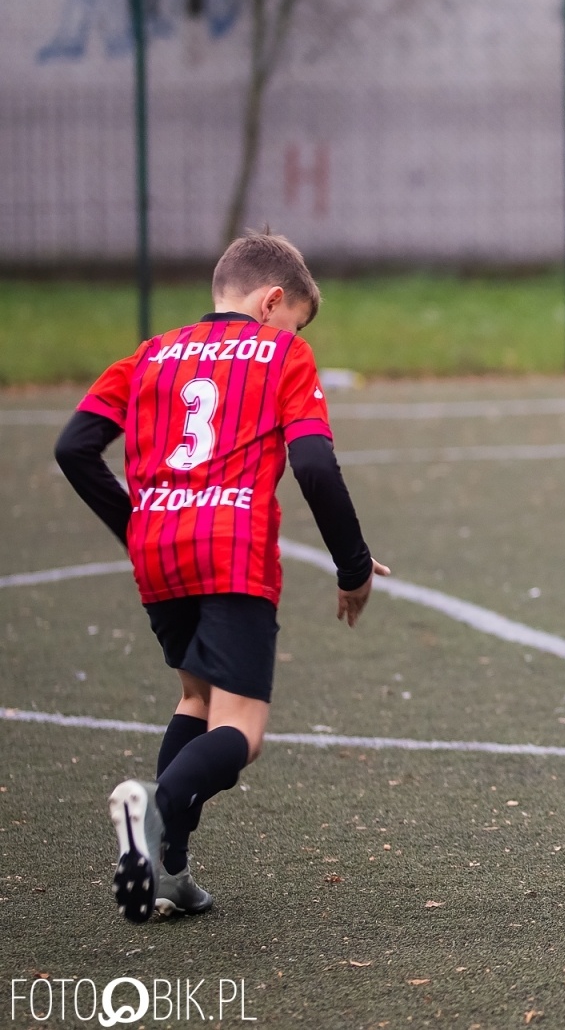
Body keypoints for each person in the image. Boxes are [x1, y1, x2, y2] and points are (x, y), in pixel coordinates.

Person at [54, 231, 388, 923]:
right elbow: (316, 466)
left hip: (160, 548)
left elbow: (75, 448)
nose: (293, 332)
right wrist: (353, 567)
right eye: (293, 319)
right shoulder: (280, 354)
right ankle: (154, 808)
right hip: (232, 547)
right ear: (272, 303)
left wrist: (137, 524)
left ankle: (170, 868)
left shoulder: (147, 356)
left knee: (197, 700)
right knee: (244, 731)